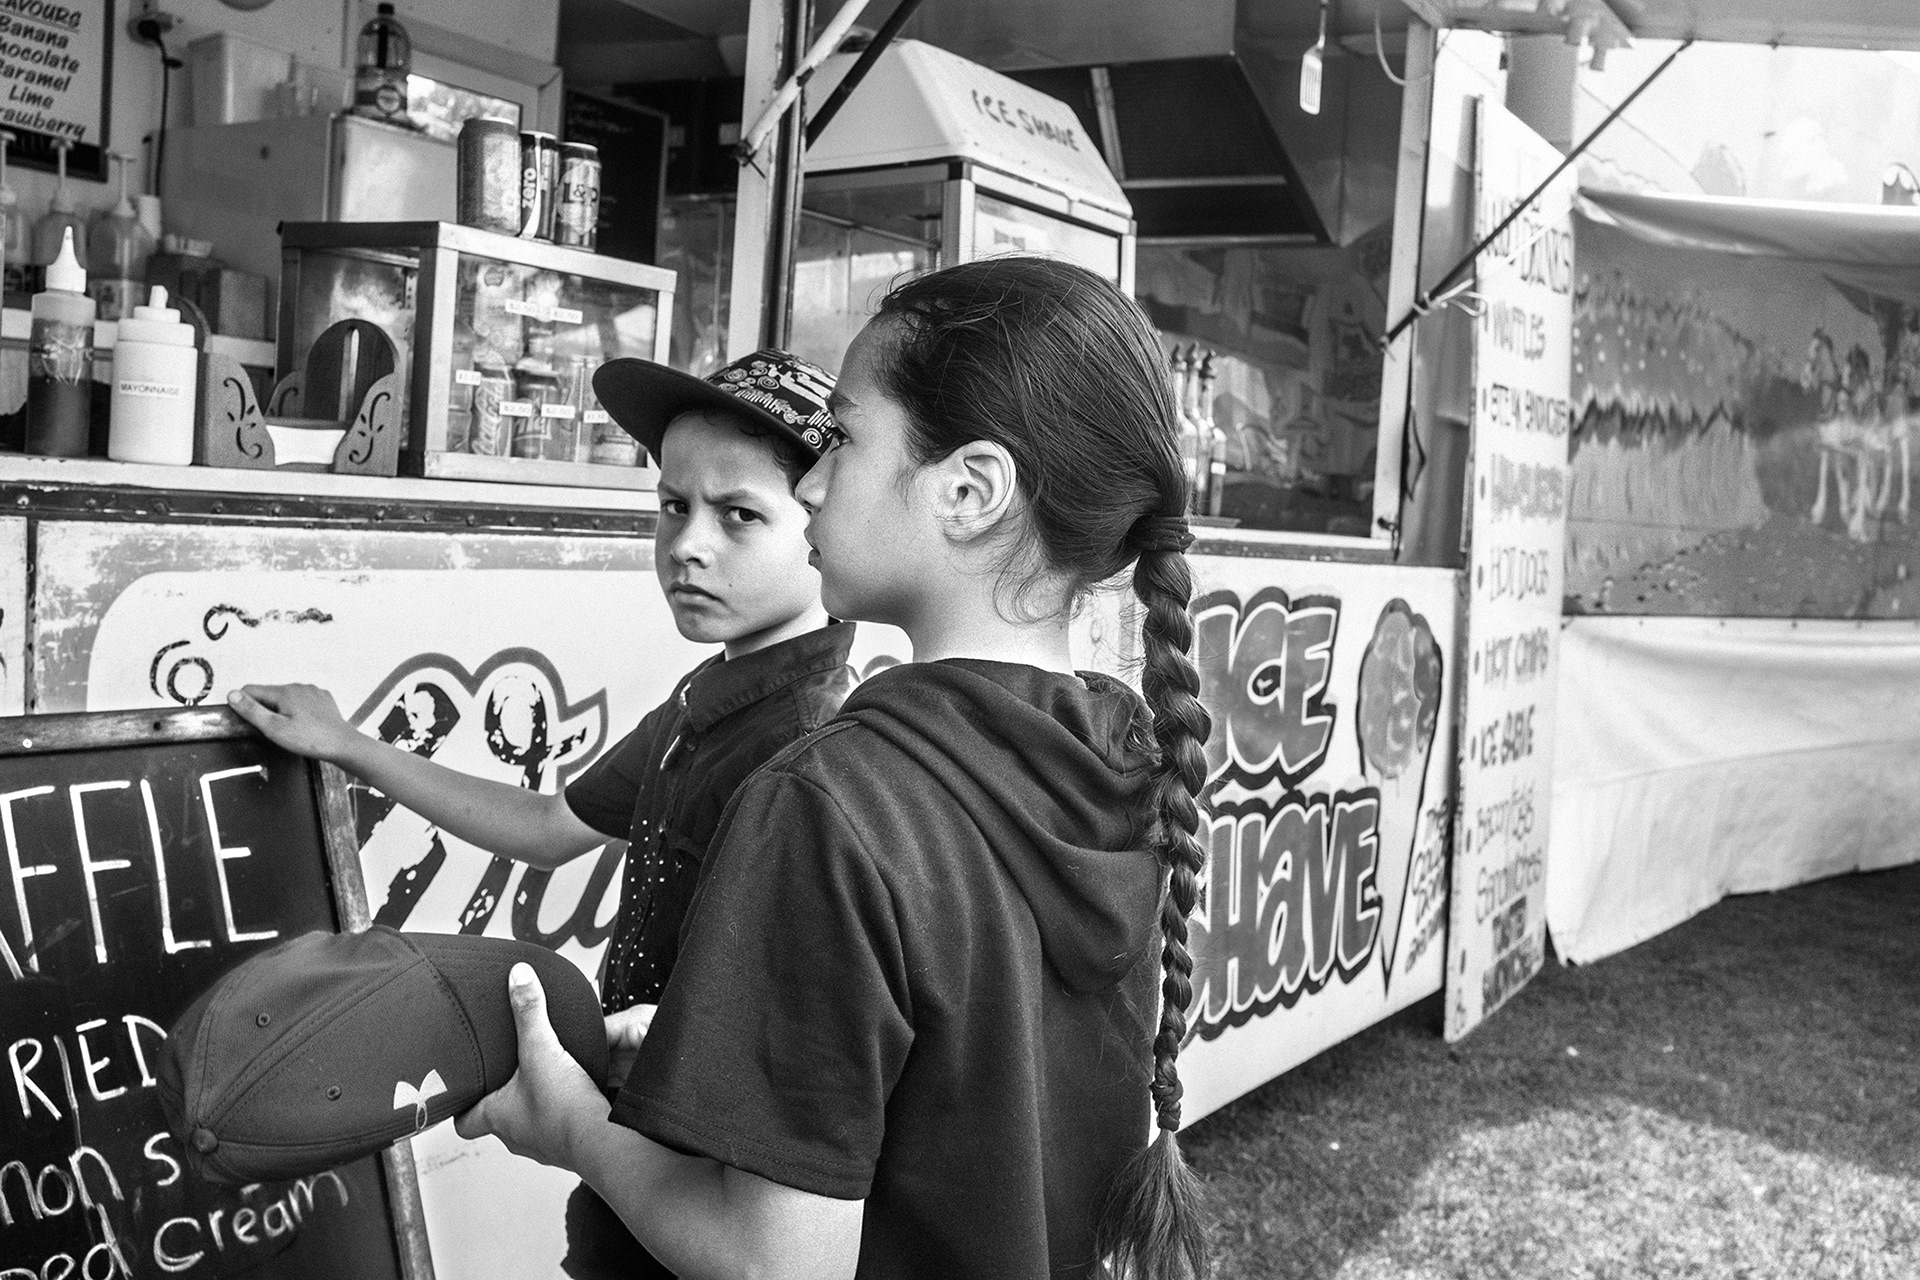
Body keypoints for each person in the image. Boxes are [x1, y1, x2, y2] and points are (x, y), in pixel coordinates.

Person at [458, 256, 1215, 1280]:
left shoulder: (832, 802)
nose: (810, 482)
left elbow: (771, 1262)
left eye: (844, 440)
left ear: (970, 490)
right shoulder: (1124, 757)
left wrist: (570, 1124)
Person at [227, 349, 857, 1280]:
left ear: (828, 522)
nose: (688, 544)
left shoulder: (805, 753)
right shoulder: (706, 702)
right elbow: (550, 827)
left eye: (740, 515)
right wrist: (350, 745)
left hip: (710, 1203)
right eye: (672, 505)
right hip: (630, 1172)